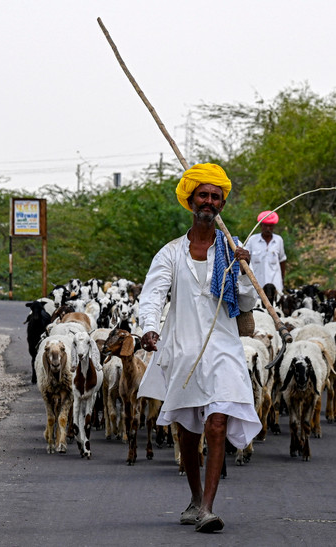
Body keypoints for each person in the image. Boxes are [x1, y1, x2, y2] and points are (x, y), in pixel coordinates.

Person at [137, 163, 261, 534]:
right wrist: (149, 329)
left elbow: (246, 301)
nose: (208, 201)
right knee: (188, 430)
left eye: (215, 196)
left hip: (222, 347)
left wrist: (242, 270)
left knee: (218, 423)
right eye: (202, 195)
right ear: (190, 201)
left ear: (222, 204)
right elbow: (153, 295)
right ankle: (194, 498)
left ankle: (208, 507)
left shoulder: (231, 249)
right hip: (183, 349)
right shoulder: (171, 253)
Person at [247, 210, 287, 293]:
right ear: (261, 225)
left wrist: (282, 281)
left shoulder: (278, 240)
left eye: (270, 226)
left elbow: (282, 261)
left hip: (275, 286)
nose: (268, 229)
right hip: (257, 286)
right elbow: (245, 261)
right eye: (265, 226)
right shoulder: (252, 240)